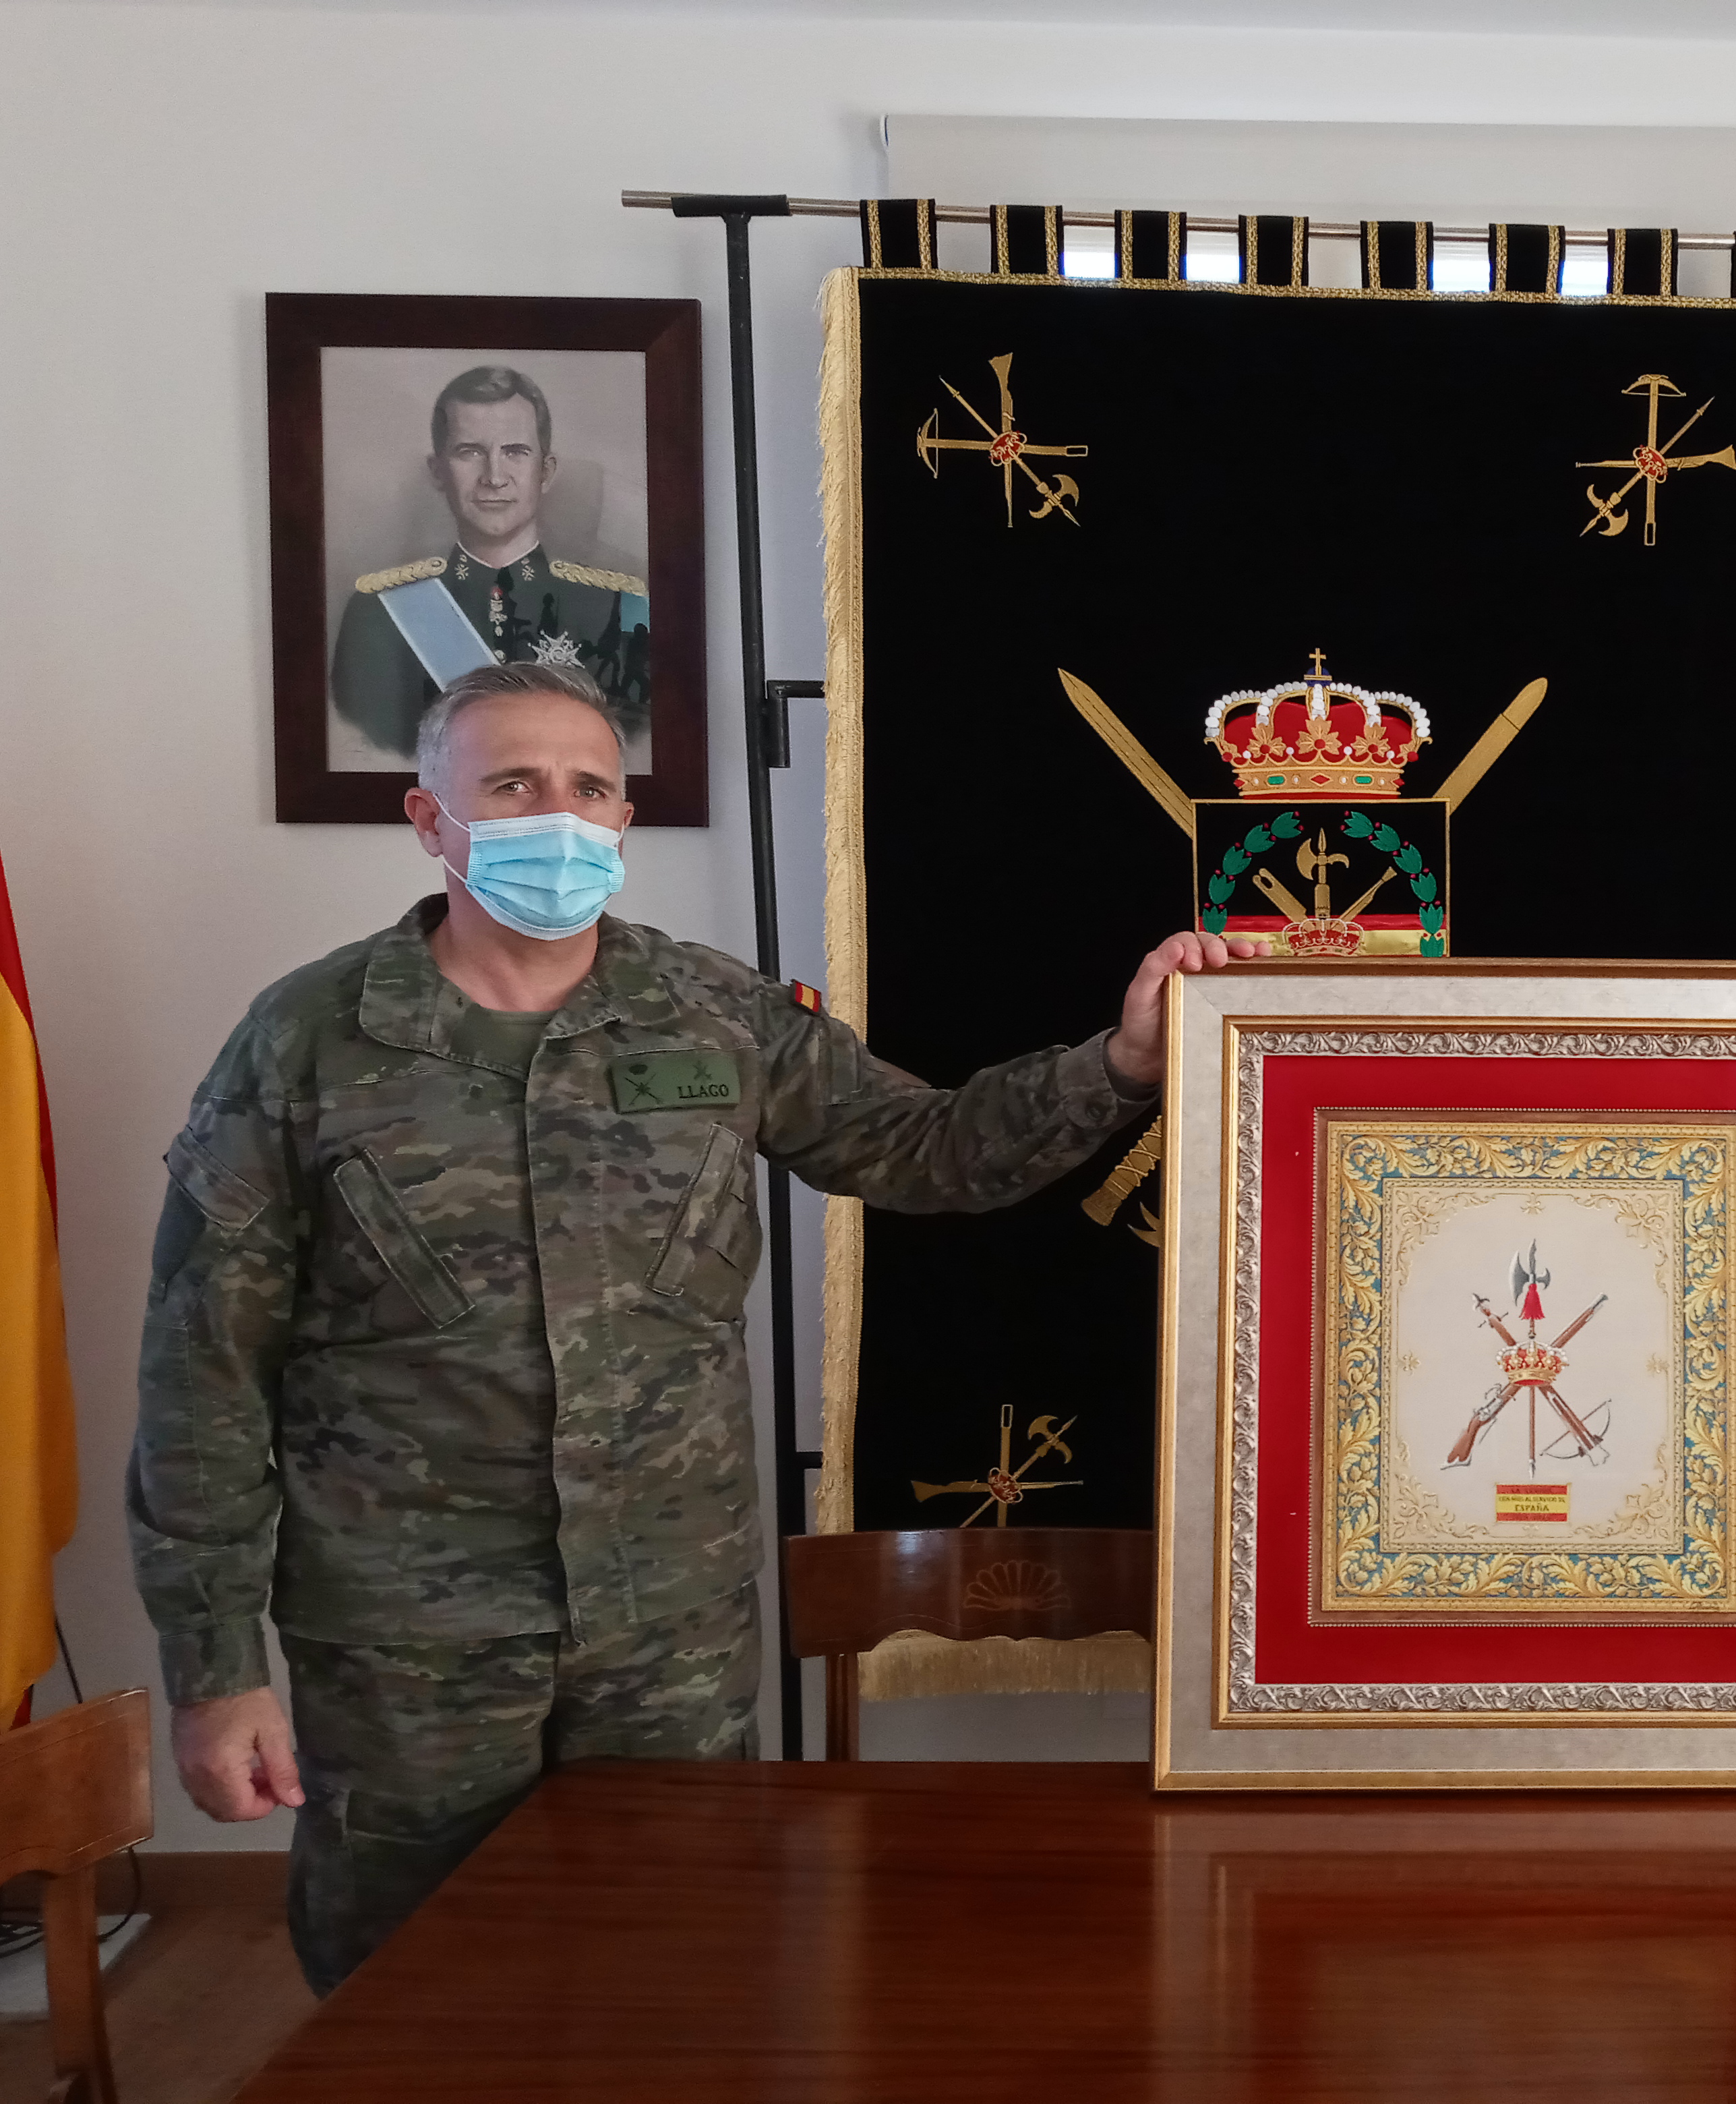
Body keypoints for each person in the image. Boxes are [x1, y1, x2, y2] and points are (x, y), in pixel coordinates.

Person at [128, 661, 1261, 1992]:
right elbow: (204, 1372)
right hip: (407, 1637)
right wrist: (214, 1670)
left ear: (623, 820)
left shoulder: (717, 1017)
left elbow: (932, 1151)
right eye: (513, 785)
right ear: (432, 819)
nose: (560, 815)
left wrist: (1119, 1066)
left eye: (590, 787)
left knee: (675, 1965)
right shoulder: (307, 1043)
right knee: (411, 1983)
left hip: (667, 1623)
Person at [330, 366, 649, 759]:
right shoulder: (376, 616)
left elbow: (631, 758)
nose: (494, 477)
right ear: (438, 472)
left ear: (546, 471)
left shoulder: (618, 610)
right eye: (470, 452)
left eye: (515, 452)